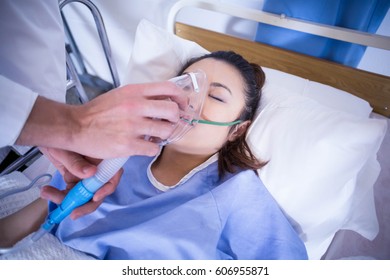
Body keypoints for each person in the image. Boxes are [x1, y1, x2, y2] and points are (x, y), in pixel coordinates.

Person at [0, 51, 308, 260]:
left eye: (215, 96)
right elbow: (41, 215)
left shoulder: (238, 194)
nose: (193, 101)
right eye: (187, 86)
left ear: (237, 130)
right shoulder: (119, 151)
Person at [0, 1, 185, 218]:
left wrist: (55, 131)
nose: (189, 106)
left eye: (216, 96)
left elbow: (23, 32)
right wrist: (69, 125)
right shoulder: (128, 156)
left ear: (235, 132)